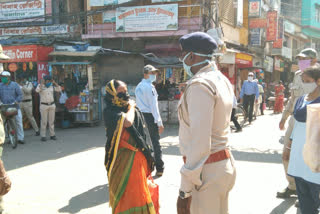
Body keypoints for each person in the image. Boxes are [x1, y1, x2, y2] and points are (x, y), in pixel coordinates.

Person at [177, 32, 236, 214]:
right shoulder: (221, 79)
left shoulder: (200, 85)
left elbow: (200, 143)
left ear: (192, 56)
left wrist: (185, 190)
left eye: (183, 54)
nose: (182, 59)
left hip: (206, 171)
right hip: (222, 165)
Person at [104, 80, 159, 214]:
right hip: (121, 158)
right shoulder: (110, 111)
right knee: (125, 192)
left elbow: (142, 134)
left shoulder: (132, 108)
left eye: (126, 91)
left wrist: (149, 153)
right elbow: (127, 122)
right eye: (120, 92)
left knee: (140, 191)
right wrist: (131, 108)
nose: (125, 94)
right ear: (112, 94)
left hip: (138, 156)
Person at [277, 48, 319, 198]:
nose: (301, 62)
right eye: (299, 60)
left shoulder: (317, 75)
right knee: (286, 155)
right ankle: (292, 185)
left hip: (315, 121)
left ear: (314, 60)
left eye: (304, 59)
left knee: (312, 157)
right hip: (296, 121)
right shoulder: (297, 76)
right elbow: (293, 98)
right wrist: (284, 117)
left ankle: (311, 192)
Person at [287, 67, 320, 214]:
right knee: (305, 199)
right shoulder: (302, 98)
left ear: (318, 81)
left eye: (307, 81)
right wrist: (290, 141)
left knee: (314, 192)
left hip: (315, 156)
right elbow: (297, 121)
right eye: (303, 81)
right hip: (298, 155)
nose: (304, 84)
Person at [135, 65, 165, 176]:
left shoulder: (139, 86)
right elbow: (154, 107)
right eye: (151, 73)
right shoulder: (149, 87)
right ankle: (159, 167)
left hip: (139, 115)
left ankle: (145, 167)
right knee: (155, 142)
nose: (154, 75)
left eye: (154, 73)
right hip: (149, 116)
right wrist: (159, 122)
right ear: (145, 74)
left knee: (143, 142)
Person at [0, 71, 24, 144]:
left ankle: (21, 138)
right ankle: (9, 138)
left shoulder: (15, 85)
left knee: (19, 122)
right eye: (2, 77)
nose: (2, 78)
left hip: (15, 106)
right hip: (4, 107)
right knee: (5, 124)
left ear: (8, 77)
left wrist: (17, 101)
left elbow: (20, 94)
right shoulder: (0, 85)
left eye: (4, 77)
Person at [36, 75, 61, 142]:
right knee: (44, 121)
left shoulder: (52, 86)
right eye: (47, 81)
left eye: (49, 81)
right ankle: (43, 136)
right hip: (44, 105)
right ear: (44, 81)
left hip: (52, 105)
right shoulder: (40, 86)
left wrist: (54, 83)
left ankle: (52, 135)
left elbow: (59, 89)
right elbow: (37, 90)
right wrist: (42, 83)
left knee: (51, 121)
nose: (48, 82)